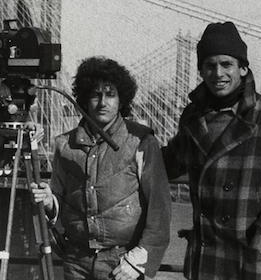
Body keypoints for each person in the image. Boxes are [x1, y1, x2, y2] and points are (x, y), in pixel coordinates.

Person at [163, 21, 261, 279]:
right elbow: (168, 163)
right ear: (201, 71)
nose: (218, 73)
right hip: (208, 262)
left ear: (243, 68)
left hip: (256, 261)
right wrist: (131, 142)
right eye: (209, 65)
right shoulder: (192, 117)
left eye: (226, 64)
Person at [31, 57, 171, 280]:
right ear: (85, 99)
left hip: (122, 262)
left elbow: (160, 211)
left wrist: (137, 263)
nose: (103, 102)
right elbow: (58, 198)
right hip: (75, 261)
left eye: (110, 94)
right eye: (96, 94)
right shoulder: (64, 145)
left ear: (121, 100)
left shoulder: (141, 142)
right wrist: (49, 202)